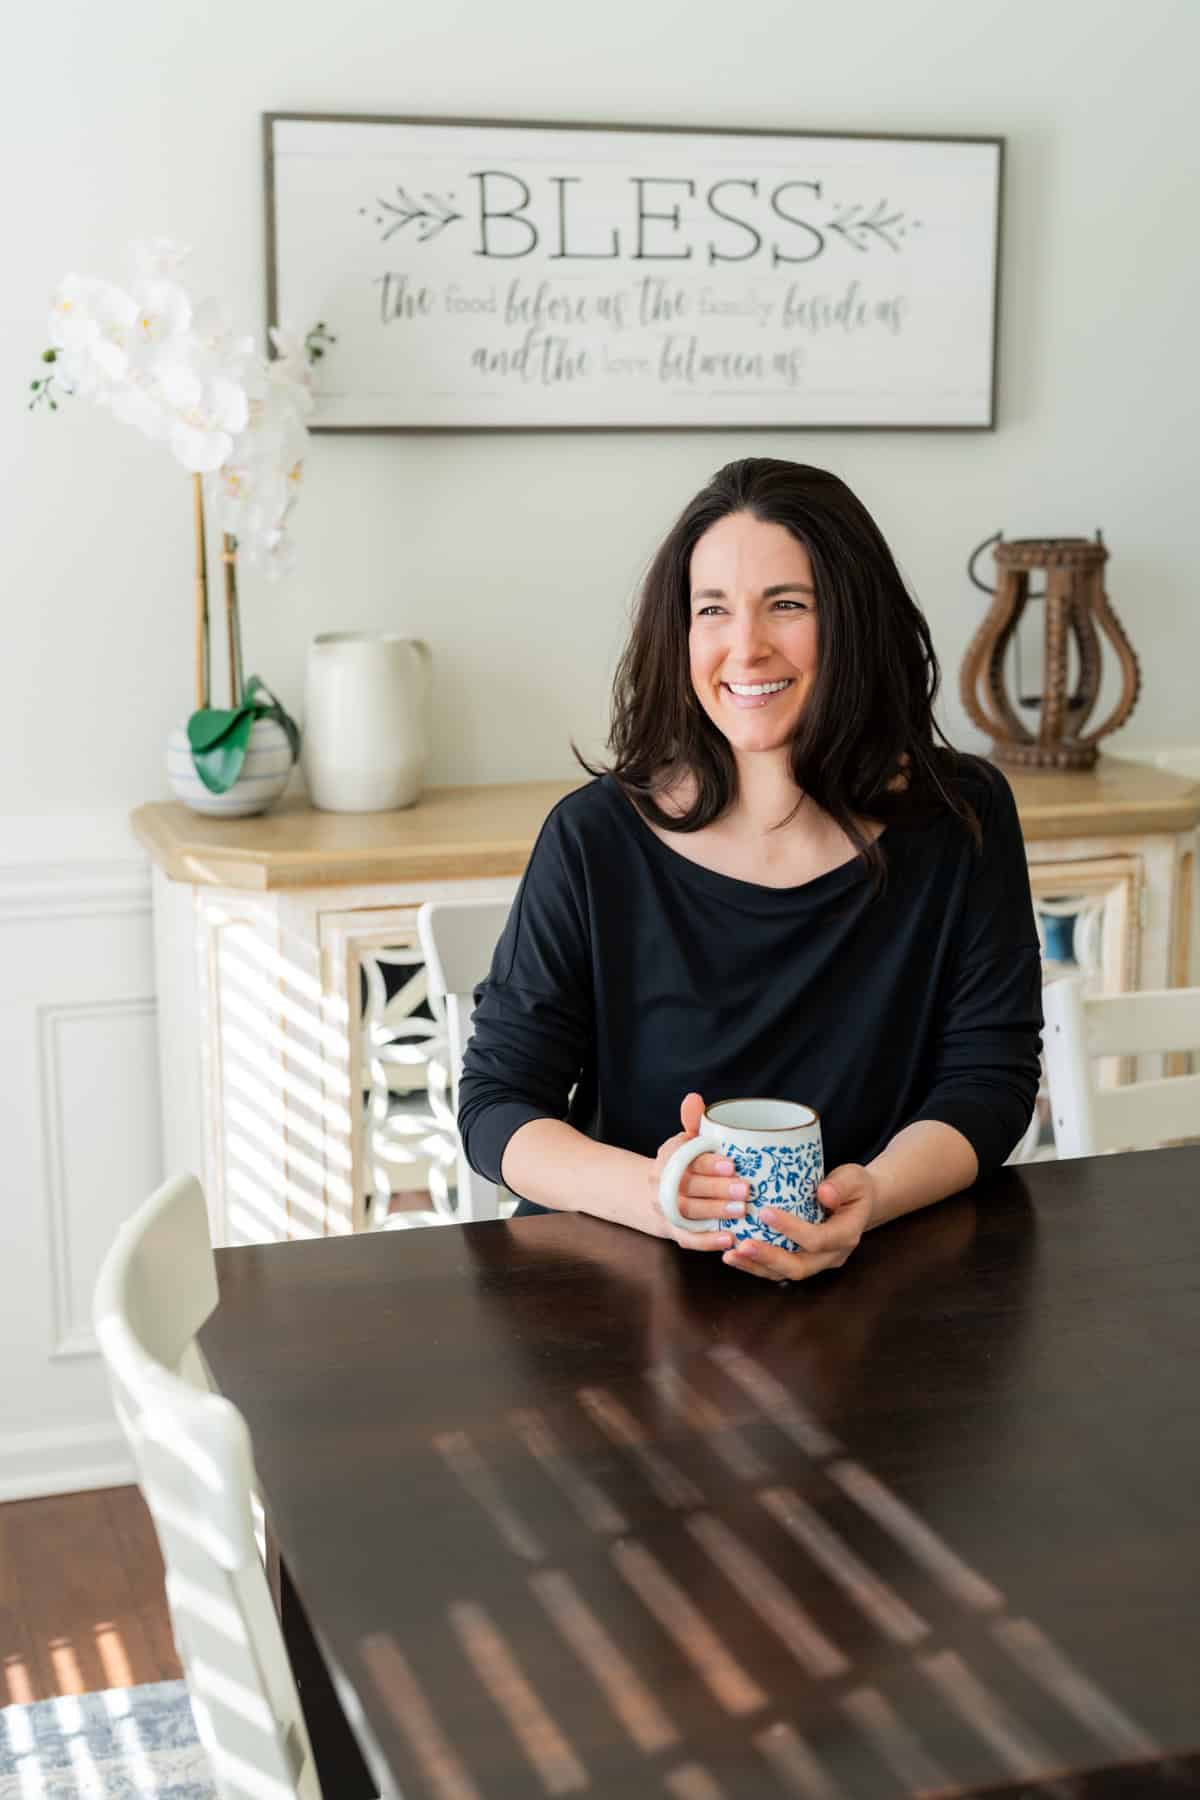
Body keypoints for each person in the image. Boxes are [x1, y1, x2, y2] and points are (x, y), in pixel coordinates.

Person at [458, 458, 1043, 1285]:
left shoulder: (962, 818)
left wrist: (870, 1197)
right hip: (622, 1304)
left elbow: (990, 1080)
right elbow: (497, 1107)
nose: (747, 646)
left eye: (788, 605)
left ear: (854, 619)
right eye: (713, 610)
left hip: (883, 1286)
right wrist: (658, 1192)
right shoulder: (595, 839)